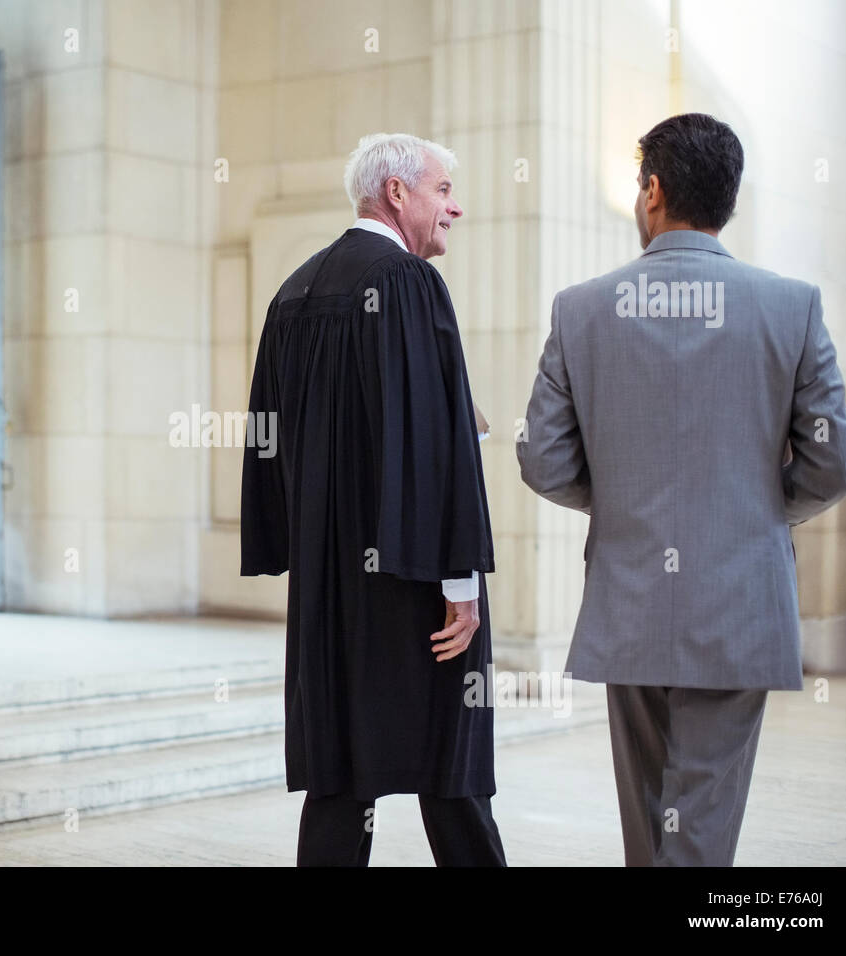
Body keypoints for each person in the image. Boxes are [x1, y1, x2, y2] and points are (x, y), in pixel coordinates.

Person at [517, 113, 846, 865]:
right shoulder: (792, 306)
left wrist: (620, 502)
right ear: (727, 200)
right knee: (700, 821)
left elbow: (542, 458)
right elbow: (834, 464)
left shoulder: (580, 308)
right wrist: (764, 508)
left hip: (629, 594)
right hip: (740, 599)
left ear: (653, 190)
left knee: (648, 824)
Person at [240, 132, 506, 866]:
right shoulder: (409, 282)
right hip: (416, 580)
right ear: (397, 192)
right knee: (452, 777)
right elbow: (432, 441)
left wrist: (294, 544)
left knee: (339, 777)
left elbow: (268, 435)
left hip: (329, 584)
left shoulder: (292, 292)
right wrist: (462, 581)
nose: (455, 206)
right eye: (444, 189)